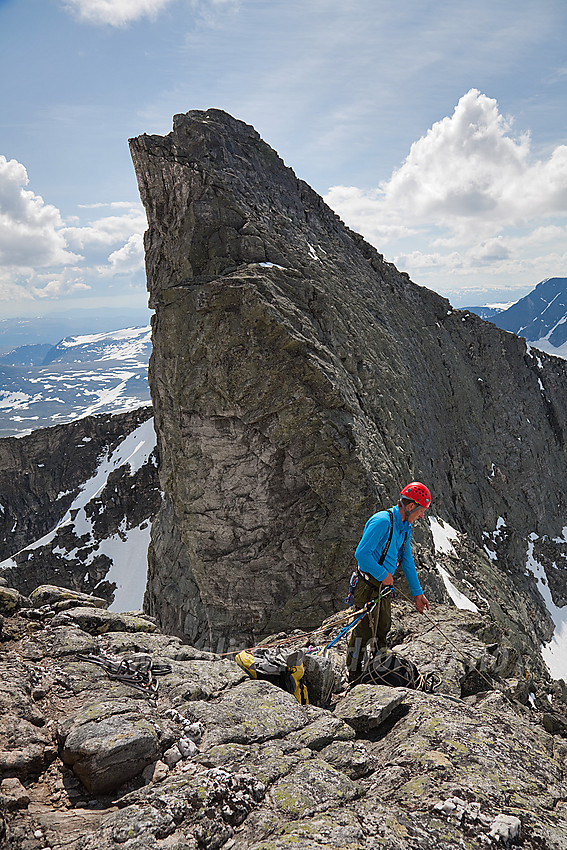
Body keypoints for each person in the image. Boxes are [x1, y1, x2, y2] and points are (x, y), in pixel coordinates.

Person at [346, 481, 431, 683]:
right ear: (411, 506)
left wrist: (417, 594)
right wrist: (383, 574)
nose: (421, 516)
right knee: (362, 632)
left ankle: (378, 671)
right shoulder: (383, 521)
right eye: (421, 511)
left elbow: (408, 560)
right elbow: (362, 554)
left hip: (382, 589)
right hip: (367, 587)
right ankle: (354, 675)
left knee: (383, 628)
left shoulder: (404, 528)